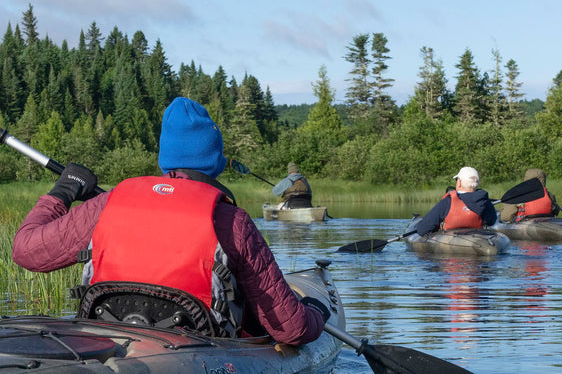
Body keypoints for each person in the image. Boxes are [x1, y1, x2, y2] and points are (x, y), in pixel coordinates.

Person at [12, 97, 329, 346]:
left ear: (165, 159)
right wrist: (317, 310)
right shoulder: (233, 221)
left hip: (109, 343)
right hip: (196, 357)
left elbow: (26, 250)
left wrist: (64, 190)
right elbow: (292, 329)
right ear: (214, 162)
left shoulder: (106, 204)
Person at [415, 166, 497, 236]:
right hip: (478, 238)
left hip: (450, 239)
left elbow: (423, 229)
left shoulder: (448, 201)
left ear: (459, 183)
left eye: (457, 180)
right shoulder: (485, 202)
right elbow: (491, 221)